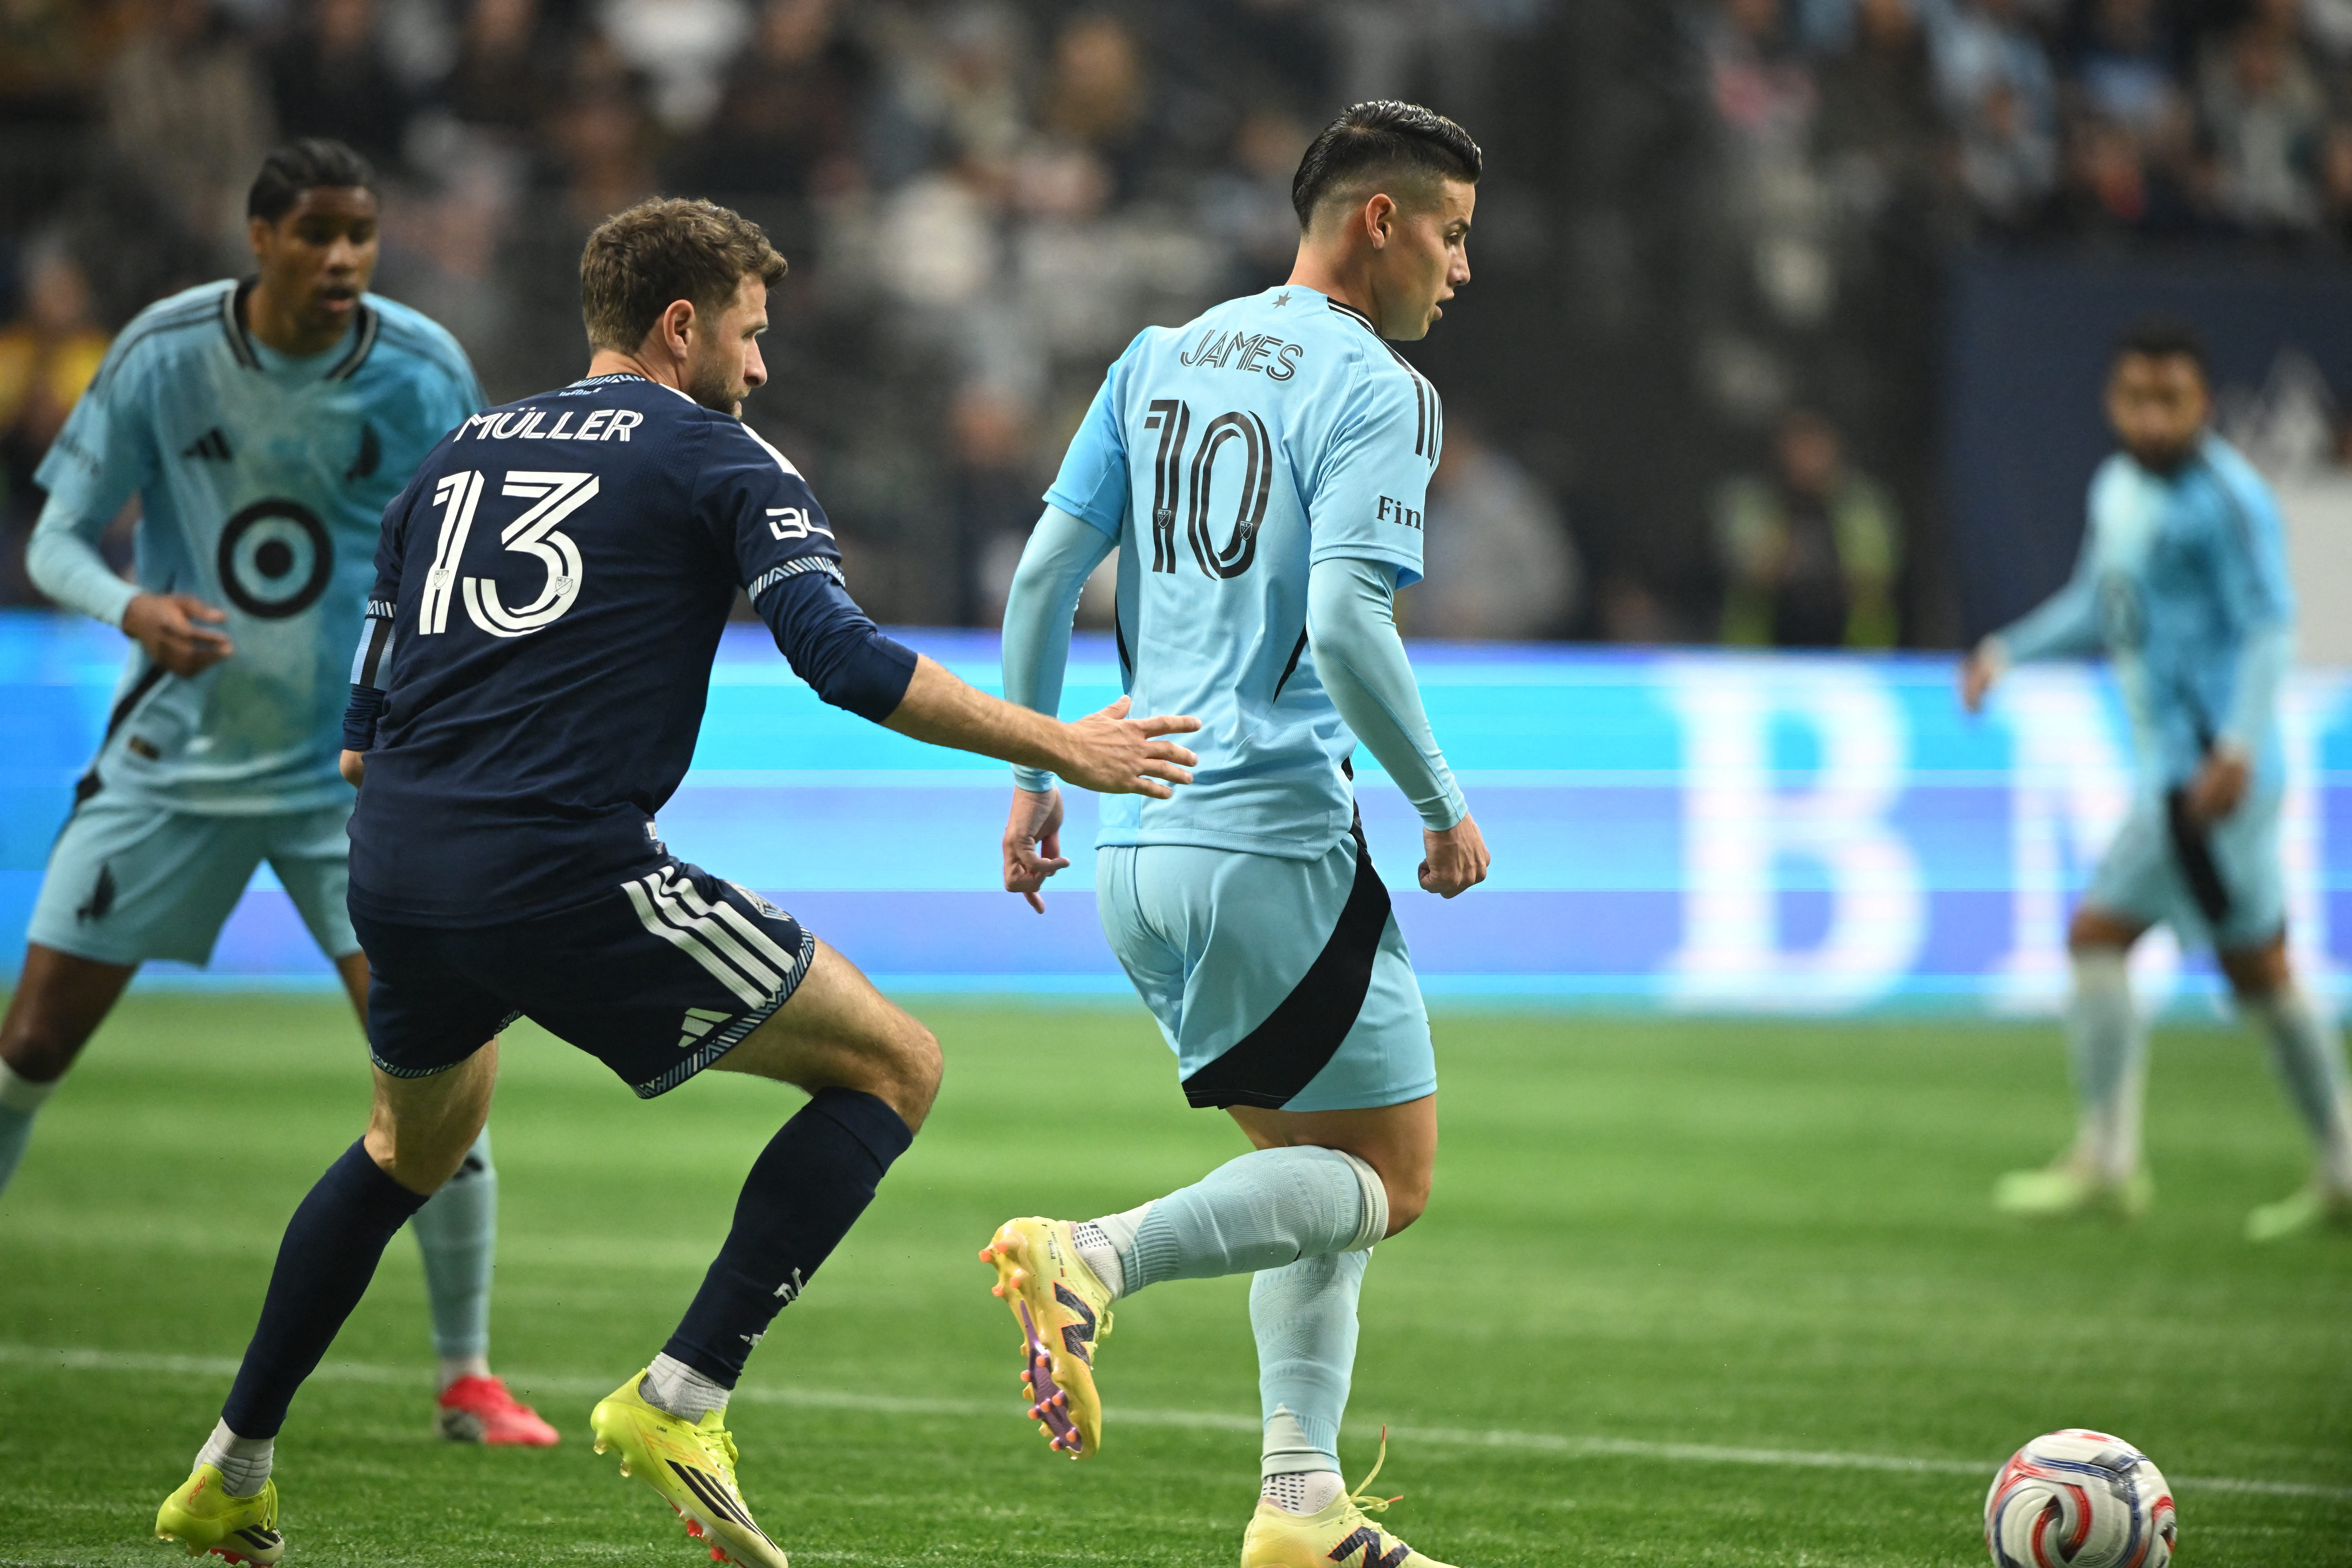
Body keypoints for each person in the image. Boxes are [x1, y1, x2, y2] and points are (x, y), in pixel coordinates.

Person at [151, 194, 1201, 1568]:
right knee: (895, 1067)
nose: (761, 369)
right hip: (555, 865)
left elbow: (363, 737)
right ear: (683, 324)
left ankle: (232, 1467)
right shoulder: (724, 456)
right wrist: (1062, 741)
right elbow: (841, 658)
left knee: (406, 1151)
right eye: (752, 335)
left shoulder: (453, 458)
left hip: (398, 861)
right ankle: (682, 1397)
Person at [987, 101, 1490, 1568]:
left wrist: (1035, 779)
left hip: (1132, 834)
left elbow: (1037, 580)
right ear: (1377, 221)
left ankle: (1298, 1502)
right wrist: (1439, 802)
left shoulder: (1159, 355)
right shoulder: (1378, 388)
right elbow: (1344, 619)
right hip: (1269, 834)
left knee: (1308, 1191)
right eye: (1451, 234)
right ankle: (1093, 1255)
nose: (1461, 270)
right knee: (1386, 1182)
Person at [3, 139, 556, 1450]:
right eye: (316, 234)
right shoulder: (161, 354)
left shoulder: (422, 370)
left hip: (351, 783)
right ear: (260, 238)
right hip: (177, 757)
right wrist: (131, 603)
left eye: (360, 234)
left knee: (437, 1070)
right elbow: (53, 540)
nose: (344, 259)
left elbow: (459, 560)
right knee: (30, 1047)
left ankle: (467, 1377)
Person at [1961, 317, 2352, 1241]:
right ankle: (2335, 1166)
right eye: (2134, 398)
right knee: (2252, 967)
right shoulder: (2117, 487)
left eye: (2167, 399)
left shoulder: (2228, 500)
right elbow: (2098, 606)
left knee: (2100, 934)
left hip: (2211, 776)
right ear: (2111, 402)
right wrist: (2004, 650)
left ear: (2200, 402)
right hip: (2180, 774)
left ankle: (2108, 1157)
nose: (2149, 417)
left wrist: (2238, 747)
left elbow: (2268, 627)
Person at [1713, 408, 1900, 648]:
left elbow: (1874, 578)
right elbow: (1751, 569)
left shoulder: (1861, 505)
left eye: (1815, 449)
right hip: (1763, 651)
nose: (1807, 459)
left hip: (1851, 650)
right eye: (1798, 449)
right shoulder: (1753, 501)